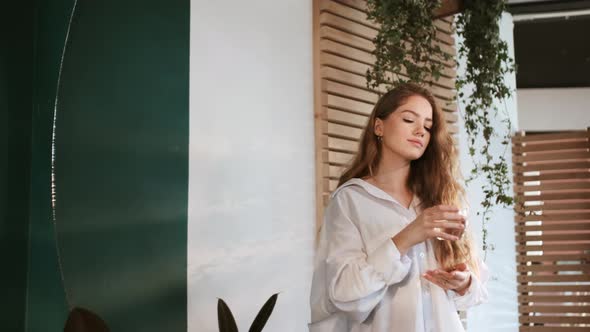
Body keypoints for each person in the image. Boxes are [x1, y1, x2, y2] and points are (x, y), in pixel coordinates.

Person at [309, 83, 488, 332]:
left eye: (427, 126)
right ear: (379, 126)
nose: (420, 131)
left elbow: (477, 291)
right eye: (408, 119)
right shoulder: (351, 201)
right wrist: (405, 238)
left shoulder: (437, 197)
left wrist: (463, 282)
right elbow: (344, 295)